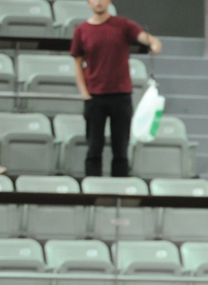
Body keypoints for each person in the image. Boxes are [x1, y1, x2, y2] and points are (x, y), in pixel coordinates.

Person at [71, 0, 161, 177]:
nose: (98, 2)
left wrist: (154, 43)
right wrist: (85, 94)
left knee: (121, 149)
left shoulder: (122, 25)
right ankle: (93, 189)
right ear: (89, 2)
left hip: (121, 95)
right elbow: (78, 63)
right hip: (95, 96)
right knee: (94, 148)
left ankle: (120, 189)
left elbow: (143, 36)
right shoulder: (82, 30)